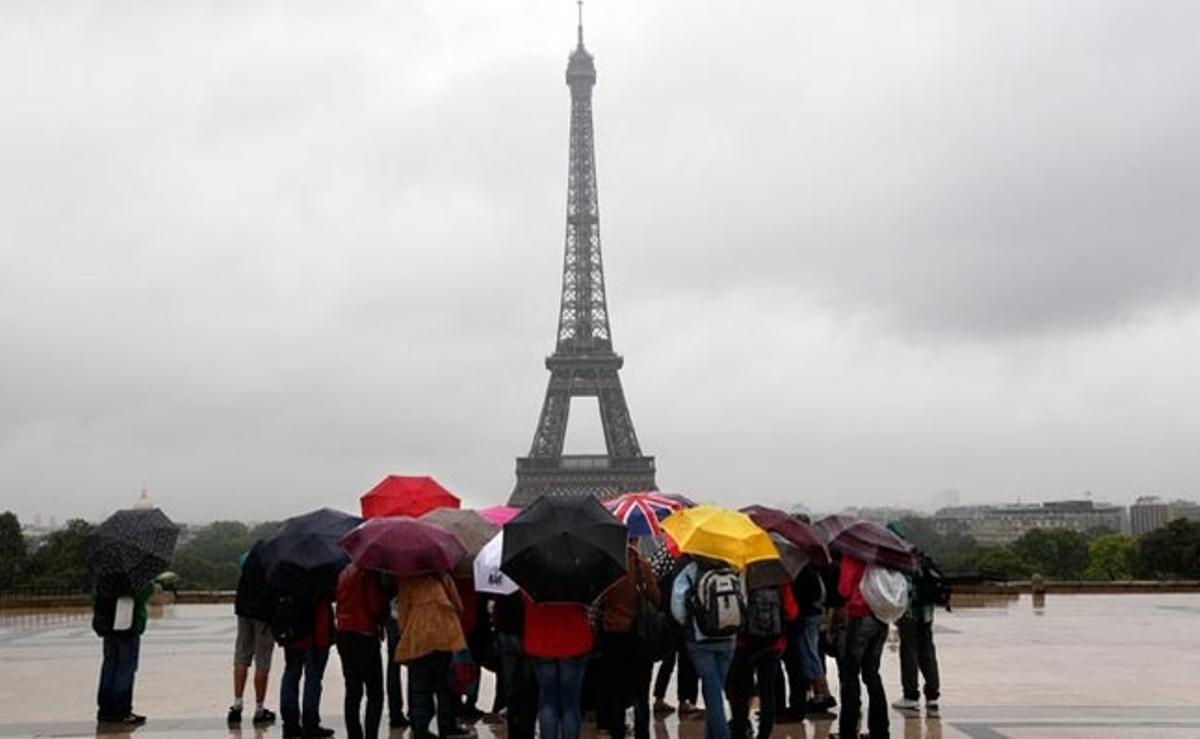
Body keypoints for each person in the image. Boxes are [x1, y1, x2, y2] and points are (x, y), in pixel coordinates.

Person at [670, 557, 744, 739]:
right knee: (715, 690)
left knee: (713, 694)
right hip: (729, 637)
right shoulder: (732, 567)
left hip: (700, 639)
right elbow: (743, 601)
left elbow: (677, 606)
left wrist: (690, 624)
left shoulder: (689, 568)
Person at [596, 543, 662, 739]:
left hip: (613, 633)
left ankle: (617, 731)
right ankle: (642, 733)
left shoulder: (607, 568)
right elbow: (655, 598)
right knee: (642, 691)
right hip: (640, 634)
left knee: (616, 687)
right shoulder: (643, 566)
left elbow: (600, 602)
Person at [394, 572, 468, 739]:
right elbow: (458, 606)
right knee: (445, 687)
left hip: (418, 640)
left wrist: (406, 633)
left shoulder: (407, 581)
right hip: (444, 638)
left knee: (420, 689)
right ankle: (447, 726)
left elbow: (403, 615)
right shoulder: (443, 577)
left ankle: (421, 730)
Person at [727, 576, 798, 739]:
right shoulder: (777, 574)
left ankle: (739, 730)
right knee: (767, 692)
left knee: (741, 691)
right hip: (772, 644)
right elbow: (791, 612)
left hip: (743, 643)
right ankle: (764, 734)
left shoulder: (738, 572)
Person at [832, 555, 888, 739]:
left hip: (859, 615)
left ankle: (848, 730)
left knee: (850, 674)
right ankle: (880, 729)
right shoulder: (882, 557)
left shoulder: (853, 557)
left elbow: (844, 589)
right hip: (881, 617)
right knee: (872, 673)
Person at [523, 597, 594, 739]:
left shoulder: (533, 576)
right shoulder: (578, 575)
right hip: (574, 639)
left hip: (541, 638)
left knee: (547, 701)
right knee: (571, 703)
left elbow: (526, 598)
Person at [336, 564, 389, 739]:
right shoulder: (368, 574)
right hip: (364, 633)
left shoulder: (344, 572)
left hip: (344, 632)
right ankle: (371, 735)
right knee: (375, 692)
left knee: (352, 689)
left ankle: (354, 734)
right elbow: (374, 606)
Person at [229, 543, 277, 726]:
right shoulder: (273, 562)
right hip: (263, 616)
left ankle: (237, 703)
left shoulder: (250, 560)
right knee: (262, 661)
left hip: (244, 610)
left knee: (241, 657)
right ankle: (259, 708)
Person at [94, 581, 155, 724]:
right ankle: (121, 711)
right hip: (128, 625)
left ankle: (105, 710)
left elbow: (95, 597)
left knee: (109, 666)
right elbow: (142, 595)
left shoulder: (104, 574)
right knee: (125, 669)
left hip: (108, 625)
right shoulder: (134, 576)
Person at [279, 591, 336, 739]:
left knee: (291, 675)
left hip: (292, 634)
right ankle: (310, 724)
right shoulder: (321, 575)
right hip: (316, 635)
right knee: (313, 679)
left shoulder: (288, 573)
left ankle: (290, 724)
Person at [892, 557, 941, 714]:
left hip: (909, 615)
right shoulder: (925, 562)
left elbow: (900, 592)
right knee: (928, 652)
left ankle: (911, 695)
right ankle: (932, 694)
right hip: (927, 615)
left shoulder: (903, 565)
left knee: (909, 653)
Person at [788, 562, 836, 715]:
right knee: (812, 653)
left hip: (807, 617)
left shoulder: (803, 573)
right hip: (815, 615)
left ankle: (821, 693)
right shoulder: (814, 571)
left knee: (810, 654)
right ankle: (822, 692)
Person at [494, 592, 538, 739]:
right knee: (528, 687)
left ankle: (513, 729)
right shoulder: (529, 575)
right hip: (527, 629)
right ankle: (526, 730)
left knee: (510, 686)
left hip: (505, 628)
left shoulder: (502, 571)